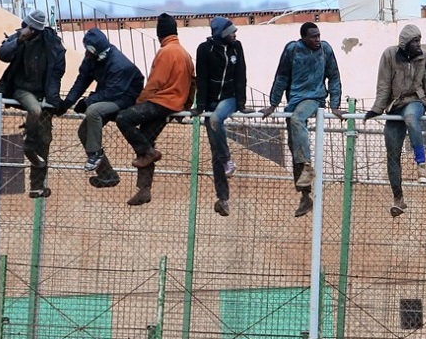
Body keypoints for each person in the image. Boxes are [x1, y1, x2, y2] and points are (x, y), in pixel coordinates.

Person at [260, 22, 344, 218]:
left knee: (298, 119)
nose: (317, 40)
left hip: (313, 98)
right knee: (293, 144)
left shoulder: (326, 50)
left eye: (318, 36)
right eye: (313, 37)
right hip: (294, 100)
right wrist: (273, 104)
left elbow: (334, 77)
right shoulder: (292, 50)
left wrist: (335, 104)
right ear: (303, 37)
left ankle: (307, 167)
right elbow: (281, 77)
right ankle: (305, 196)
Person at [363, 24, 426, 217]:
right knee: (392, 152)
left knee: (410, 119)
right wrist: (376, 109)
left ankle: (421, 165)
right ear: (405, 43)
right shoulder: (389, 55)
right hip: (394, 106)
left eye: (419, 40)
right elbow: (383, 84)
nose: (418, 44)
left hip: (415, 101)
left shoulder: (425, 58)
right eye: (414, 41)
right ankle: (398, 199)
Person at [115, 13, 195, 206]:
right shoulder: (185, 54)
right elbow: (193, 83)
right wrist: (185, 107)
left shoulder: (166, 52)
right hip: (174, 106)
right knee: (146, 140)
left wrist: (139, 102)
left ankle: (148, 154)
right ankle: (144, 189)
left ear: (160, 34)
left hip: (160, 103)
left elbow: (155, 83)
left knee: (123, 118)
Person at [57, 28, 144, 189]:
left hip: (125, 98)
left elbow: (113, 92)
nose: (87, 54)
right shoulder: (91, 58)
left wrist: (88, 102)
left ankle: (95, 154)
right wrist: (68, 102)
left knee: (93, 111)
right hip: (108, 94)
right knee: (84, 131)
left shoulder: (118, 64)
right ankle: (107, 175)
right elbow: (82, 80)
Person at [0, 9, 66, 198]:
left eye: (27, 27)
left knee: (45, 139)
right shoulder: (18, 38)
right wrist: (19, 40)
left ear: (35, 30)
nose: (23, 28)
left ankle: (37, 185)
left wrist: (52, 98)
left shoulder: (52, 44)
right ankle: (28, 143)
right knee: (34, 109)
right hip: (22, 90)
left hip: (43, 94)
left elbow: (57, 71)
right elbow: (2, 54)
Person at [191, 17, 252, 217]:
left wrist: (241, 103)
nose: (235, 35)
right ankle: (223, 199)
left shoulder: (237, 48)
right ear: (222, 34)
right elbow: (201, 77)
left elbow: (241, 74)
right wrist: (200, 106)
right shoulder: (205, 49)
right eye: (231, 32)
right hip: (210, 101)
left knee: (217, 120)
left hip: (229, 98)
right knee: (215, 151)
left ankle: (228, 160)